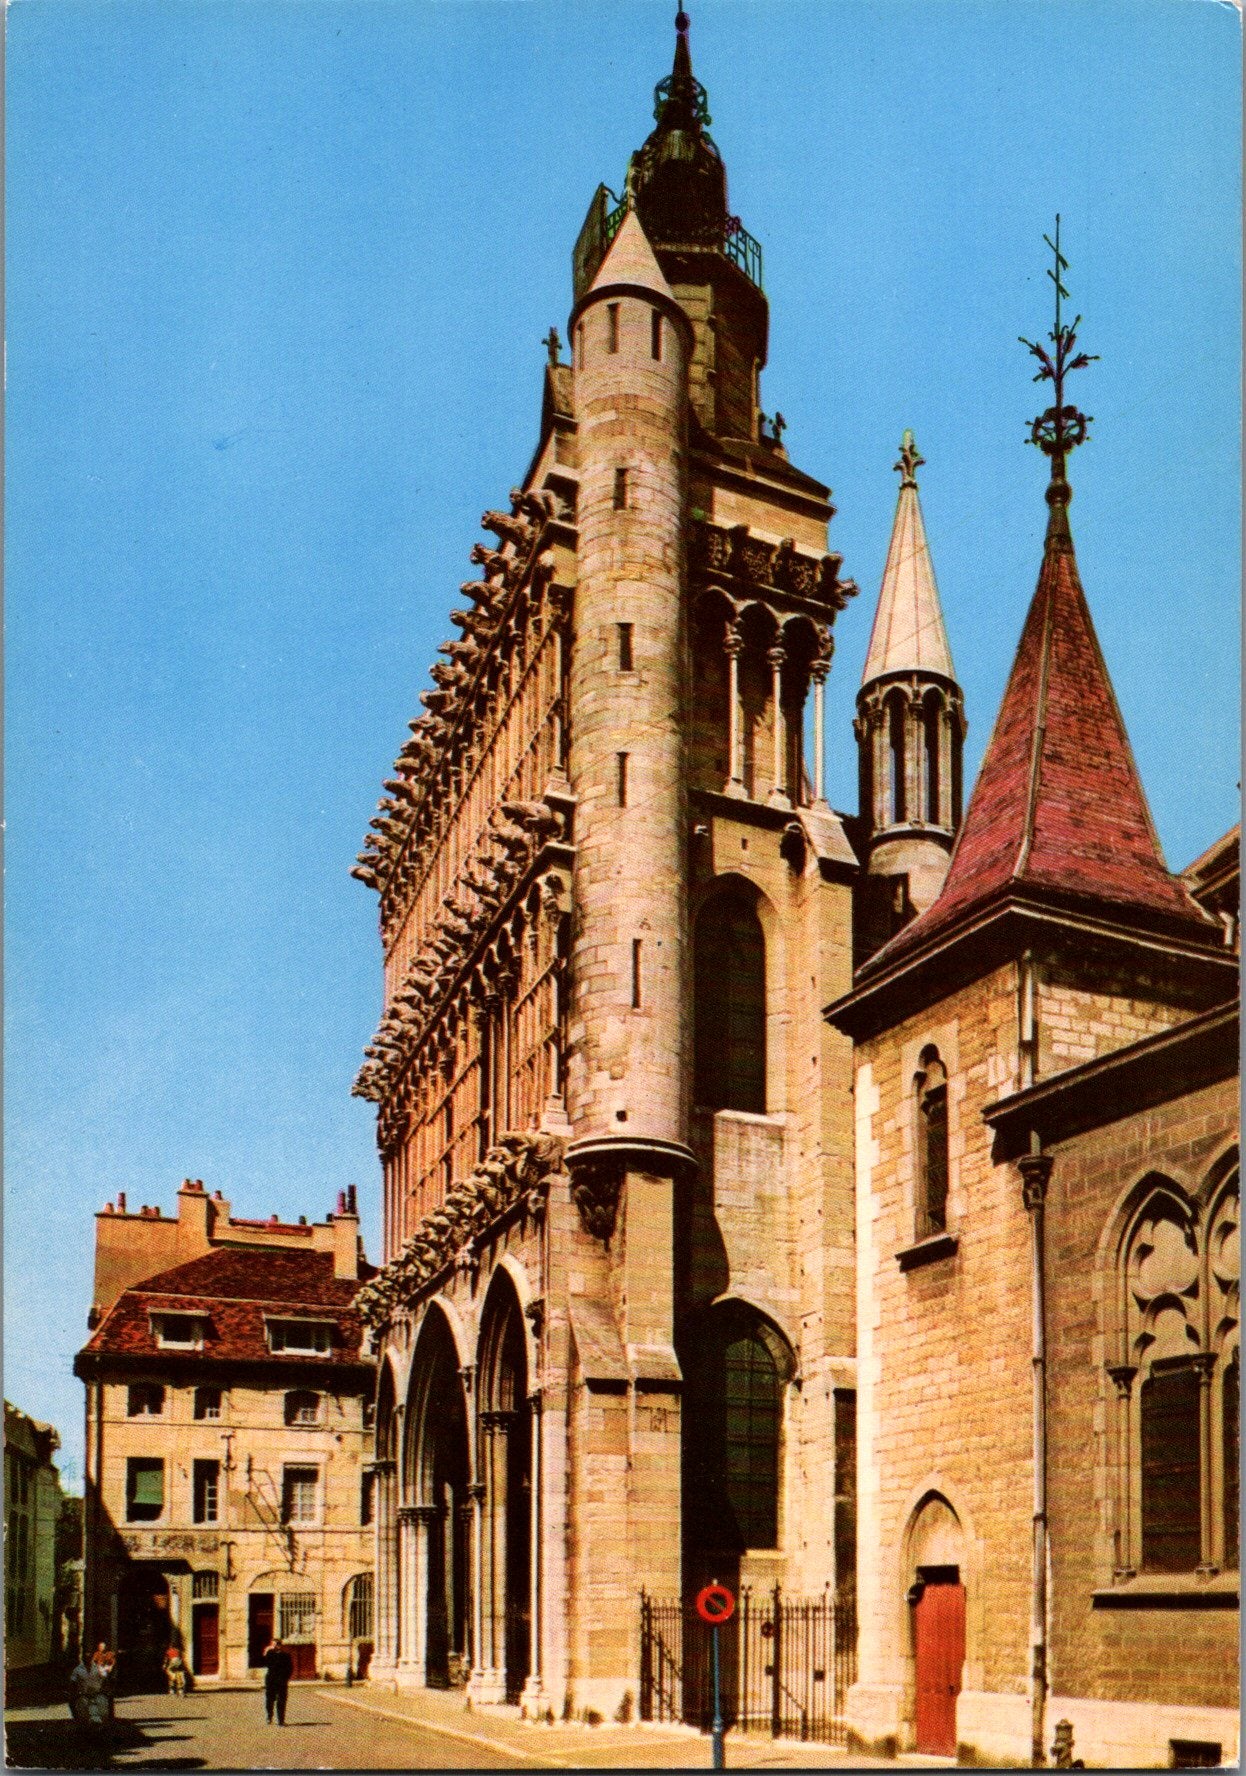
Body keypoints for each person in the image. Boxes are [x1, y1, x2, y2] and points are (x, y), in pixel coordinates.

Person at [261, 1637, 293, 1725]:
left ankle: (281, 1720)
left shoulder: (286, 1655)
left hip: (282, 1680)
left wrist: (286, 1678)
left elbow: (290, 1668)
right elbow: (263, 1663)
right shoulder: (269, 1654)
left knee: (282, 1700)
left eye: (277, 1644)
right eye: (273, 1645)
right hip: (271, 1680)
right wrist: (265, 1652)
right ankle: (269, 1716)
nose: (275, 1646)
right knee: (270, 1699)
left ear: (280, 1645)